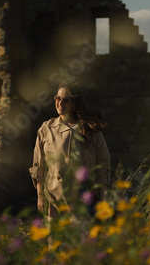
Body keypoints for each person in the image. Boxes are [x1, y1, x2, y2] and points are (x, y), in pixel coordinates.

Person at [29, 81, 111, 218]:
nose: (60, 103)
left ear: (74, 102)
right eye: (58, 98)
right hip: (54, 199)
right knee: (56, 238)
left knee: (82, 237)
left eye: (66, 100)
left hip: (83, 198)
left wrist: (103, 194)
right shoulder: (46, 128)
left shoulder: (90, 129)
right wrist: (40, 196)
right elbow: (38, 166)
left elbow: (103, 164)